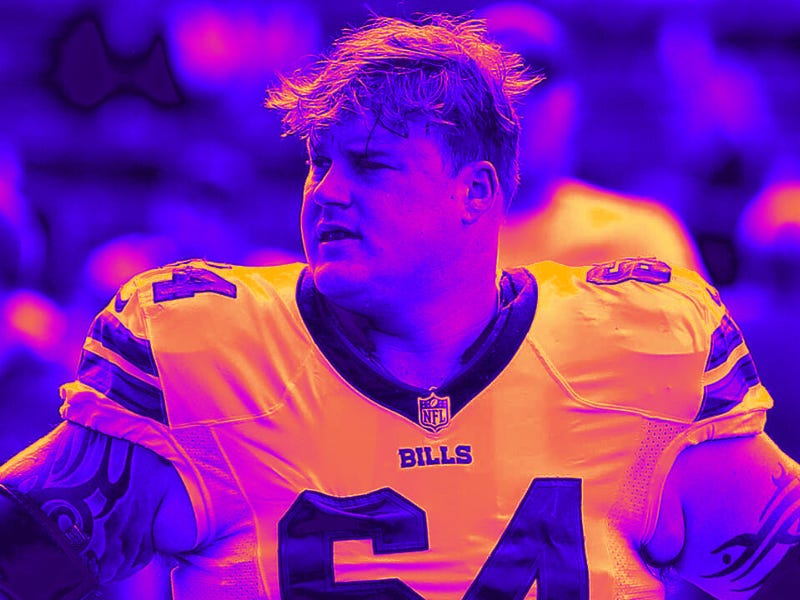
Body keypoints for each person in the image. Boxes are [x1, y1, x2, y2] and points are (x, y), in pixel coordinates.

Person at [0, 13, 798, 599]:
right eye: (319, 162)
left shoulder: (633, 350)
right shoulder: (209, 352)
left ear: (475, 192)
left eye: (371, 166)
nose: (328, 192)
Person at [477, 2, 706, 275]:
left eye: (538, 76)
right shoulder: (433, 243)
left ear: (577, 102)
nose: (517, 98)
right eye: (490, 81)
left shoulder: (639, 240)